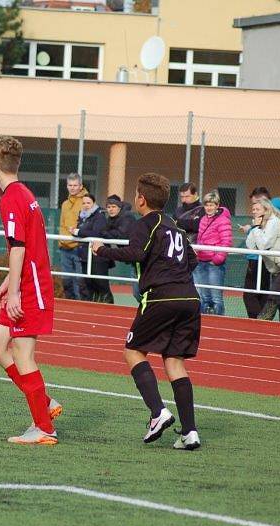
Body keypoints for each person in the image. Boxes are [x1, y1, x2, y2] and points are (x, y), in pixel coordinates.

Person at [93, 172, 201, 451]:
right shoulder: (174, 226)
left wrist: (102, 250)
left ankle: (157, 412)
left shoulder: (145, 224)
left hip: (160, 298)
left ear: (141, 199)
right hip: (189, 298)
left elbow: (136, 254)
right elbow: (193, 259)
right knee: (175, 361)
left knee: (132, 351)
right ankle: (189, 432)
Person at [0, 135, 62, 445]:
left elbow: (18, 247)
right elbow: (25, 245)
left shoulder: (11, 198)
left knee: (22, 353)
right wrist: (8, 282)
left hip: (30, 288)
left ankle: (44, 428)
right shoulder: (23, 193)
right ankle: (43, 403)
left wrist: (14, 291)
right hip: (25, 281)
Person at [194, 190, 232, 315]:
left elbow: (226, 241)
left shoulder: (223, 220)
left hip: (213, 264)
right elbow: (200, 238)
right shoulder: (203, 219)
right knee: (204, 297)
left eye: (211, 205)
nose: (209, 208)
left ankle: (219, 322)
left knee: (216, 298)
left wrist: (217, 260)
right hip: (201, 261)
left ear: (217, 205)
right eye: (207, 205)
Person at [71, 194, 113, 303]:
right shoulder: (82, 216)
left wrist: (78, 232)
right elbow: (81, 232)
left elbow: (97, 232)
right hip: (85, 255)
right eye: (84, 203)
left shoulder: (99, 216)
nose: (86, 205)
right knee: (89, 283)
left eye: (88, 203)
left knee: (101, 283)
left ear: (94, 203)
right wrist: (75, 232)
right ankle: (93, 307)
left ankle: (109, 306)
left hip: (98, 256)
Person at [239, 187, 273, 318]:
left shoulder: (270, 220)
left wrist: (253, 228)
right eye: (253, 206)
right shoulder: (258, 221)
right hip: (255, 259)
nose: (254, 209)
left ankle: (258, 321)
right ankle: (260, 321)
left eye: (256, 205)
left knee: (250, 295)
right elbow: (251, 243)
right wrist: (251, 229)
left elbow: (263, 243)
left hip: (262, 260)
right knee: (259, 293)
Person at [100, 195, 138, 301]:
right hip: (131, 255)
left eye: (113, 206)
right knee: (137, 289)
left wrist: (107, 233)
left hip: (139, 254)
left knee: (139, 289)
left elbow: (121, 234)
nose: (111, 209)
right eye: (108, 207)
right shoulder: (111, 219)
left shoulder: (127, 217)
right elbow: (103, 231)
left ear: (119, 207)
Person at [58, 173, 88, 300]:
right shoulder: (65, 204)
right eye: (70, 185)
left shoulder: (86, 202)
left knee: (78, 281)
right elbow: (62, 224)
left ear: (81, 186)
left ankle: (80, 306)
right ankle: (69, 305)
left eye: (75, 185)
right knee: (67, 280)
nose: (72, 187)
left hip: (78, 247)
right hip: (64, 247)